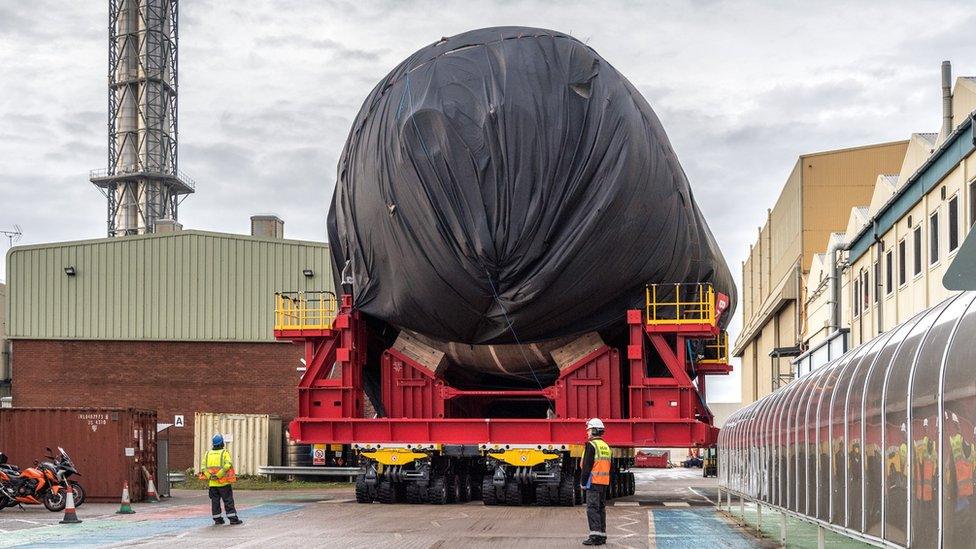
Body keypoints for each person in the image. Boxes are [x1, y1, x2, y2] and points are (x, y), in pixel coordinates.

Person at [579, 417, 612, 546]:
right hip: (603, 482)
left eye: (588, 430)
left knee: (592, 508)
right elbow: (611, 466)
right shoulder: (605, 446)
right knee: (601, 508)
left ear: (593, 430)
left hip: (593, 482)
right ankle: (602, 535)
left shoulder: (591, 445)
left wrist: (582, 482)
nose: (587, 432)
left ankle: (595, 536)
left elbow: (587, 466)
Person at [201, 433, 242, 525]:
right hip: (223, 483)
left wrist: (210, 476)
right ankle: (233, 519)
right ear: (222, 443)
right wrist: (219, 475)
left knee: (215, 502)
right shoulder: (224, 453)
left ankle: (217, 519)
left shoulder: (207, 454)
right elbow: (228, 464)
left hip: (212, 484)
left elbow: (203, 467)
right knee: (228, 501)